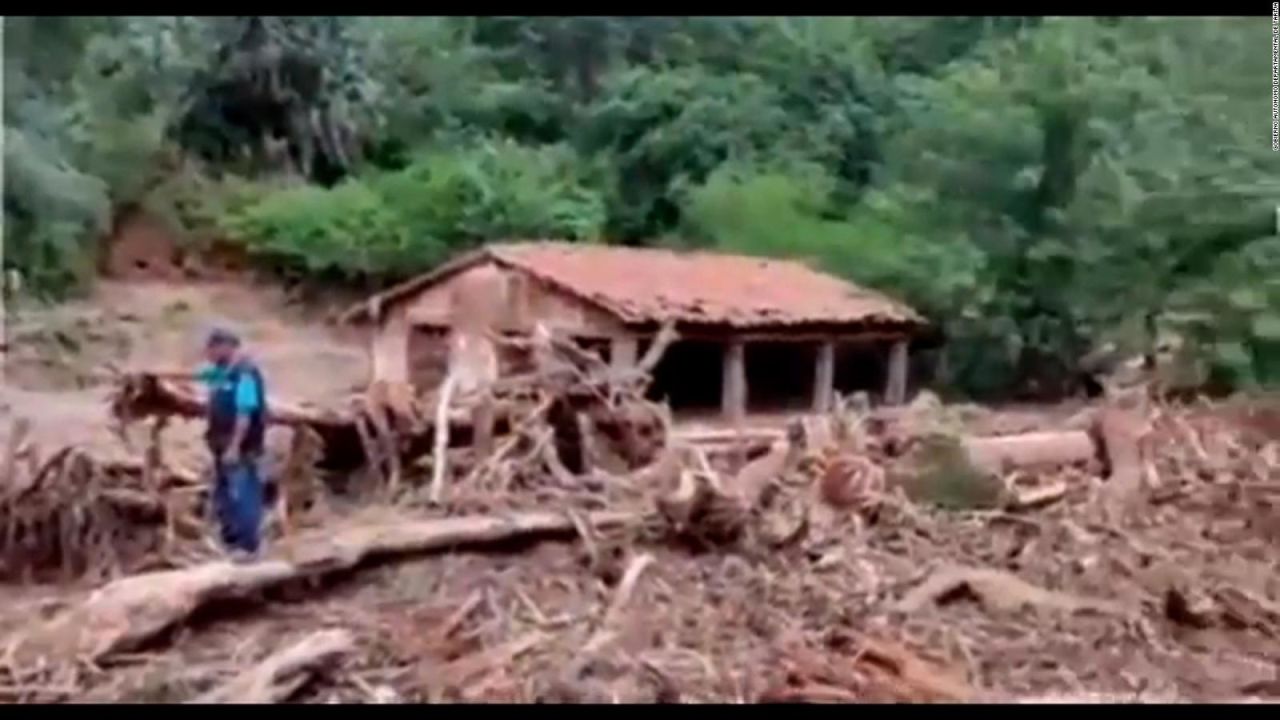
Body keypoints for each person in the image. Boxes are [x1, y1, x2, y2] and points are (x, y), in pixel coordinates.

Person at [167, 328, 269, 561]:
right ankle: (230, 539)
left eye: (211, 349)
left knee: (243, 491)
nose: (208, 354)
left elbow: (245, 413)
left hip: (241, 445)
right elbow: (194, 376)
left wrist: (235, 445)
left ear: (226, 346)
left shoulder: (245, 374)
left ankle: (248, 545)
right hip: (220, 442)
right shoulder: (223, 372)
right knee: (223, 491)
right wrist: (155, 375)